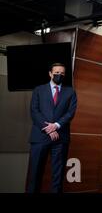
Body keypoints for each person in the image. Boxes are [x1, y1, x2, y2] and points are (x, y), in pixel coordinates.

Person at [27, 62, 77, 193]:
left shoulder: (70, 92)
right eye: (56, 73)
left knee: (58, 175)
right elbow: (34, 111)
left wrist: (56, 125)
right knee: (35, 174)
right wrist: (48, 128)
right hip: (40, 137)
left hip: (60, 138)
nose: (59, 75)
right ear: (50, 74)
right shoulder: (39, 90)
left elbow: (70, 113)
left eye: (62, 73)